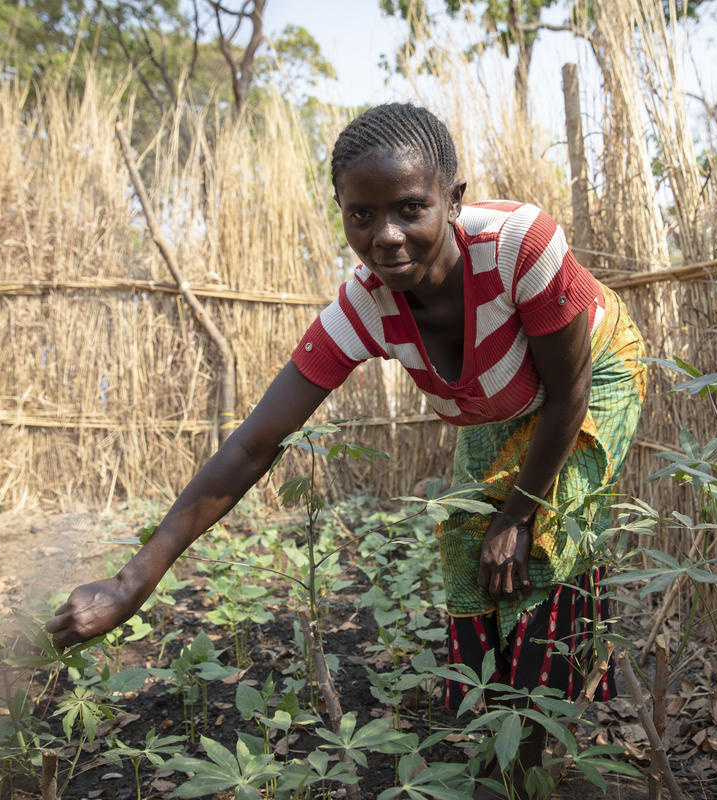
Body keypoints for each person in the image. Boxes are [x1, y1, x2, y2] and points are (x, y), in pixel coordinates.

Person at [45, 103, 645, 798]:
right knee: (467, 552)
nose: (385, 237)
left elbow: (566, 395)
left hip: (588, 378)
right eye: (361, 215)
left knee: (537, 548)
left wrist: (515, 515)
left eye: (410, 208)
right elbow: (253, 445)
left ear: (453, 199)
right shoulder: (365, 306)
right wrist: (132, 581)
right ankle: (499, 725)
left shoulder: (521, 247)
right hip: (497, 401)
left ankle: (526, 764)